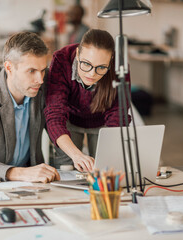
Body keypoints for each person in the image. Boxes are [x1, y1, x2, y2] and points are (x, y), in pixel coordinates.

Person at [0, 32, 60, 183]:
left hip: (34, 186)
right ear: (9, 67)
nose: (40, 79)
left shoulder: (43, 85)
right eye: (31, 71)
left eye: (43, 70)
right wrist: (19, 173)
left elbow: (58, 125)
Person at [44, 29, 131, 172]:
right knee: (66, 168)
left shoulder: (120, 67)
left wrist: (110, 155)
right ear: (78, 54)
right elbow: (55, 114)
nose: (91, 74)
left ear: (111, 61)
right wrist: (76, 155)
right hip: (68, 121)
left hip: (104, 123)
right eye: (86, 64)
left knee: (106, 169)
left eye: (101, 67)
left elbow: (118, 115)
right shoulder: (61, 59)